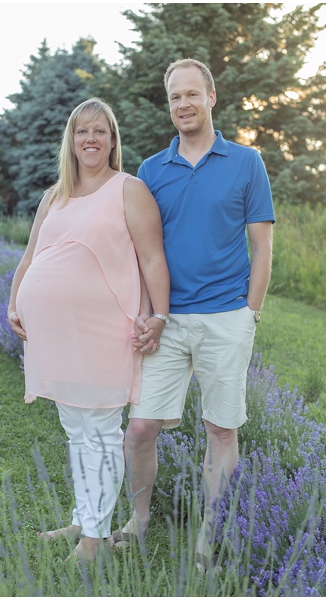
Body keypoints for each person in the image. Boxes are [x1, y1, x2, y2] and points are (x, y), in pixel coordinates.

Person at [115, 59, 276, 567]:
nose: (183, 104)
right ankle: (139, 520)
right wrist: (148, 313)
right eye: (174, 97)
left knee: (221, 430)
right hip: (166, 320)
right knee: (140, 429)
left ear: (211, 97)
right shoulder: (150, 171)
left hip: (226, 317)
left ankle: (210, 531)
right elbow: (141, 251)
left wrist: (250, 312)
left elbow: (262, 245)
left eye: (191, 94)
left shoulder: (246, 162)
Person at [8, 98, 170, 561]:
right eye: (82, 131)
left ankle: (95, 538)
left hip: (103, 330)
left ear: (113, 140)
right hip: (55, 333)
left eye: (100, 131)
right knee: (76, 430)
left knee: (99, 428)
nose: (91, 139)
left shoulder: (128, 189)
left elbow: (152, 258)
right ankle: (84, 518)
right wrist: (14, 303)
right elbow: (31, 255)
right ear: (72, 140)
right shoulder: (54, 196)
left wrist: (158, 316)